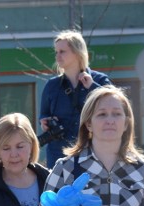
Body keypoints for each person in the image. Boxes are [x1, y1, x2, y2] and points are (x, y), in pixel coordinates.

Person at [39, 30, 112, 167]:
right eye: (56, 52)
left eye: (62, 51)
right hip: (58, 155)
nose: (57, 56)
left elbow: (114, 106)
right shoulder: (52, 86)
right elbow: (44, 115)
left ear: (78, 53)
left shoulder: (100, 80)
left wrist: (91, 86)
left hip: (93, 153)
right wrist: (45, 122)